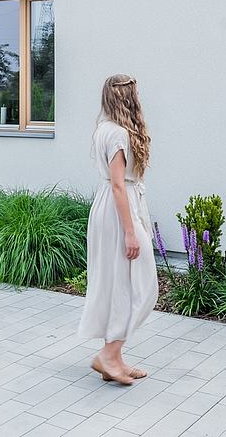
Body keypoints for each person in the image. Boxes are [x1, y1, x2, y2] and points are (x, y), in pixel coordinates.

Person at [78, 74, 158, 386]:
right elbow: (117, 185)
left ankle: (114, 356)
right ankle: (109, 355)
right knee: (142, 283)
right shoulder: (119, 135)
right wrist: (130, 231)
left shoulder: (104, 129)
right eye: (135, 94)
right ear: (128, 98)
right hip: (117, 211)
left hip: (110, 208)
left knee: (120, 283)